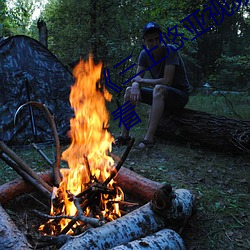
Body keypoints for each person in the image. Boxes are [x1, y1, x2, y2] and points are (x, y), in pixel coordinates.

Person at [115, 22, 191, 148]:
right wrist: (134, 85)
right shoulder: (144, 55)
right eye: (150, 40)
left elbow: (167, 81)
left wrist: (140, 81)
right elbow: (137, 78)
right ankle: (124, 136)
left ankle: (149, 139)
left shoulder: (170, 50)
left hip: (179, 95)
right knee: (129, 91)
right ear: (144, 41)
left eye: (157, 39)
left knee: (159, 88)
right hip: (161, 95)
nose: (155, 43)